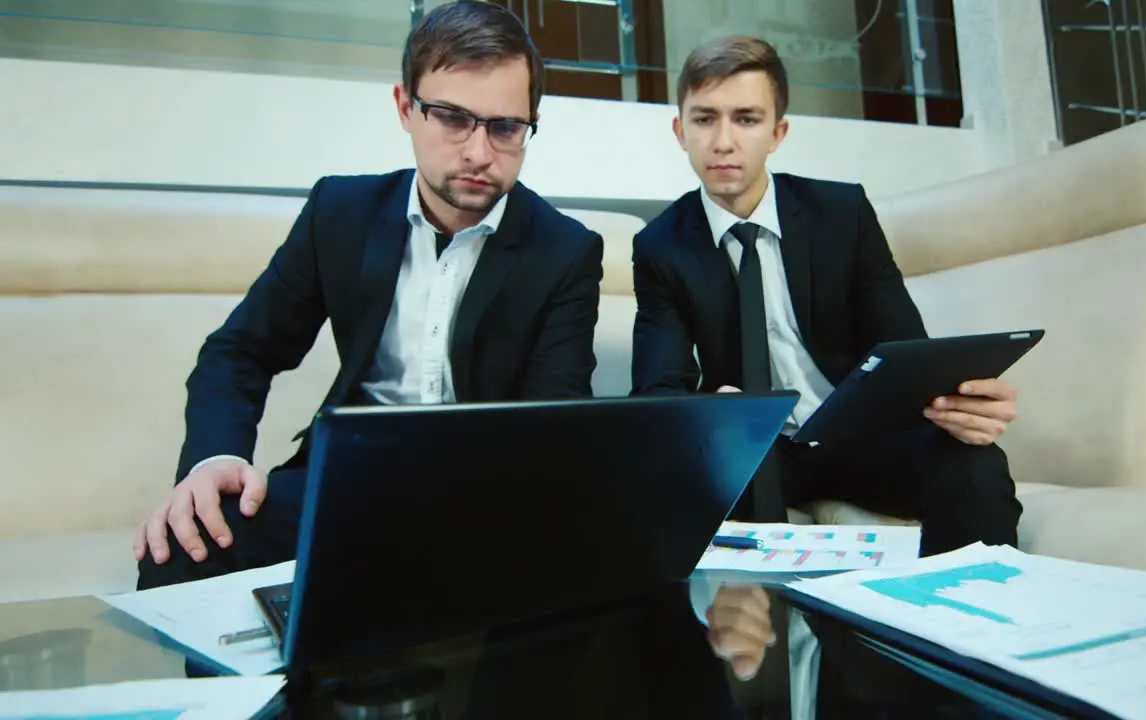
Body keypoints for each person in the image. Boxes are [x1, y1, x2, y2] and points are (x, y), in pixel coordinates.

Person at [133, 0, 603, 590]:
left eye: (505, 127)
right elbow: (240, 352)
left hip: (483, 497)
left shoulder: (566, 249)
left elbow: (553, 422)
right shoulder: (340, 213)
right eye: (452, 117)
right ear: (406, 107)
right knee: (181, 545)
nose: (479, 153)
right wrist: (216, 458)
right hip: (345, 482)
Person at [632, 35, 1024, 715]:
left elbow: (905, 349)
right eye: (705, 118)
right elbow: (655, 393)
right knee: (678, 484)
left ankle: (988, 674)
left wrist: (959, 399)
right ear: (680, 130)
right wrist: (711, 408)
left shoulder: (841, 213)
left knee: (975, 463)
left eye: (746, 119)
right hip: (762, 450)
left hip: (859, 435)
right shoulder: (661, 246)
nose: (724, 141)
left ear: (778, 132)